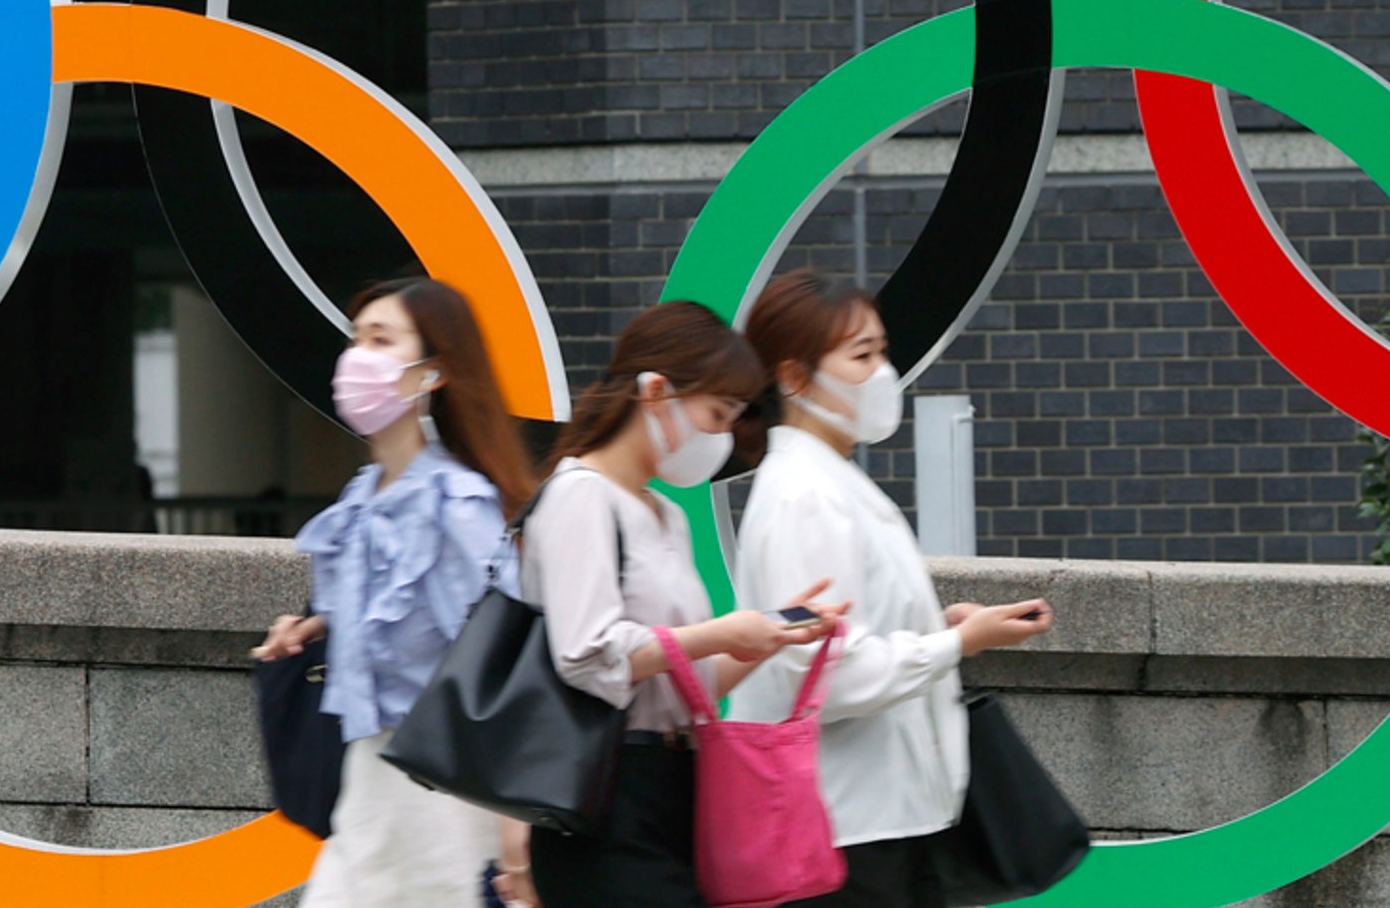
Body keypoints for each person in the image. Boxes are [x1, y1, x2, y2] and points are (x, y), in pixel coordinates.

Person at [732, 271, 1055, 908]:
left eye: (881, 351)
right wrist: (955, 643)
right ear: (793, 376)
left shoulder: (828, 481)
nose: (882, 372)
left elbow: (841, 642)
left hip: (882, 821)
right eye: (861, 356)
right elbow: (830, 675)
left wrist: (944, 631)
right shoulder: (805, 495)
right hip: (848, 832)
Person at [516, 301, 849, 908]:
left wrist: (766, 635)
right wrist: (722, 633)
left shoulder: (666, 514)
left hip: (672, 789)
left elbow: (684, 676)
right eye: (717, 415)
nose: (722, 438)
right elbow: (586, 655)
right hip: (603, 798)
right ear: (656, 392)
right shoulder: (579, 497)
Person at [254, 278, 539, 908]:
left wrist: (516, 829)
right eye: (357, 337)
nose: (358, 355)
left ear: (430, 374)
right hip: (369, 778)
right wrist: (313, 626)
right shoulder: (364, 497)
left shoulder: (457, 504)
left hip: (443, 793)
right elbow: (386, 603)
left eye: (381, 340)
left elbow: (505, 652)